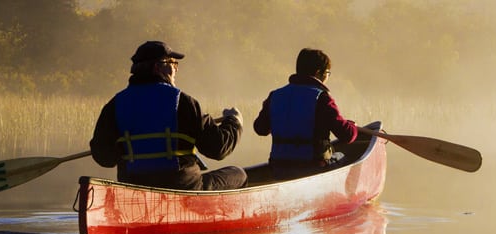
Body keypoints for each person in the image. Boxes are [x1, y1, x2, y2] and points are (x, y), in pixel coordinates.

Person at [91, 41, 247, 190]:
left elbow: (103, 157)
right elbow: (218, 148)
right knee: (239, 174)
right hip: (184, 186)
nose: (176, 69)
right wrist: (234, 122)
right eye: (173, 63)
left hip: (134, 187)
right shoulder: (184, 102)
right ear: (158, 68)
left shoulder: (114, 105)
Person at [254, 48, 370, 180]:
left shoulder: (275, 96)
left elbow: (260, 129)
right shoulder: (321, 98)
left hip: (279, 168)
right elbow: (347, 136)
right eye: (327, 73)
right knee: (344, 157)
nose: (327, 77)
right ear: (318, 73)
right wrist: (352, 126)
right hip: (312, 168)